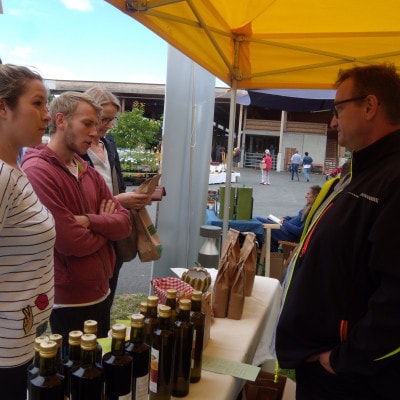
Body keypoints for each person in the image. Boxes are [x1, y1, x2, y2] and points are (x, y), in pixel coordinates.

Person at [276, 64, 400, 399]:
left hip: (352, 377)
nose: (333, 121)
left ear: (370, 106)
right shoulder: (360, 170)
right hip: (325, 364)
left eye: (338, 109)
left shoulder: (392, 177)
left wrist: (345, 359)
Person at [21, 91, 131, 343]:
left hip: (100, 287)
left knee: (96, 363)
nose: (95, 132)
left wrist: (91, 221)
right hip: (68, 297)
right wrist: (106, 230)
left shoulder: (84, 169)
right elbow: (70, 241)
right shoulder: (38, 171)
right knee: (76, 372)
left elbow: (125, 223)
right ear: (61, 121)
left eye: (98, 123)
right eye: (88, 123)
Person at [0, 64, 56, 400]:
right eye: (37, 104)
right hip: (6, 348)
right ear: (3, 107)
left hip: (24, 333)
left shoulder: (14, 170)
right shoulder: (2, 178)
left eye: (47, 105)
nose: (46, 116)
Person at [83, 87, 151, 332]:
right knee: (90, 298)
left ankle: (100, 336)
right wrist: (119, 200)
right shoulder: (76, 148)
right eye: (105, 119)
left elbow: (116, 180)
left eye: (113, 119)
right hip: (93, 230)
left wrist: (137, 196)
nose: (109, 125)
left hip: (115, 229)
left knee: (110, 288)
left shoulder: (107, 142)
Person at [256, 185, 321, 250]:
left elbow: (299, 231)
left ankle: (261, 248)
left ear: (315, 197)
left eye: (308, 194)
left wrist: (285, 222)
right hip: (284, 229)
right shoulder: (308, 208)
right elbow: (296, 217)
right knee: (259, 221)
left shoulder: (311, 212)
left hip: (287, 234)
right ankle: (269, 250)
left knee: (258, 220)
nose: (306, 196)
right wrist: (286, 218)